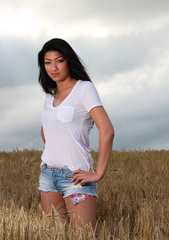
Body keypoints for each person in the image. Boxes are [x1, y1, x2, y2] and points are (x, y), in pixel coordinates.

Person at [37, 38, 114, 229]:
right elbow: (46, 129)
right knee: (53, 235)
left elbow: (107, 131)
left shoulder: (84, 89)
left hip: (75, 177)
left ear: (69, 61)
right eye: (48, 62)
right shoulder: (50, 94)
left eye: (59, 60)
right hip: (48, 175)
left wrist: (98, 174)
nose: (53, 67)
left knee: (82, 235)